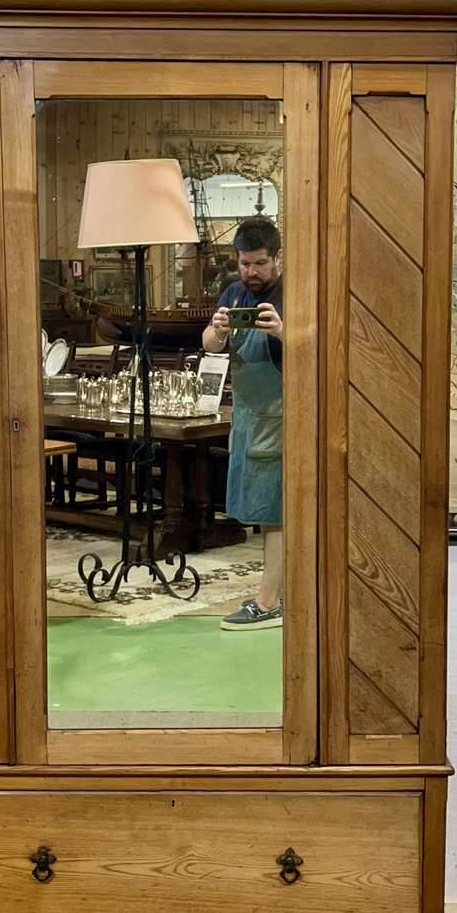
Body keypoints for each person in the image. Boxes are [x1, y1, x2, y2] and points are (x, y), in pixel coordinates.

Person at [202, 217, 283, 630]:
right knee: (258, 508)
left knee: (275, 511)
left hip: (279, 416)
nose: (251, 272)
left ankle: (268, 603)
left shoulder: (290, 294)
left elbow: (317, 349)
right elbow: (208, 343)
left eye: (260, 263)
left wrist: (282, 331)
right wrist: (217, 332)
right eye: (245, 263)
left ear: (277, 258)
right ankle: (276, 594)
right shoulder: (234, 292)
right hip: (247, 416)